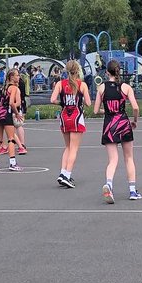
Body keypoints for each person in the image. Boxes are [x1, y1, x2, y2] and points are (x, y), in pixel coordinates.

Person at [93, 59, 141, 203]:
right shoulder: (126, 87)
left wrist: (107, 110)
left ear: (107, 72)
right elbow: (136, 107)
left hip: (109, 125)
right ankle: (132, 190)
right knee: (129, 158)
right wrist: (135, 121)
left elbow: (95, 111)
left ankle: (109, 184)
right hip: (123, 123)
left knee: (113, 160)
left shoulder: (101, 88)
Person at [51, 58, 91, 189]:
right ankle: (67, 175)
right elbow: (89, 103)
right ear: (78, 70)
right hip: (76, 117)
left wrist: (62, 102)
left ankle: (62, 173)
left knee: (67, 147)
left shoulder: (60, 84)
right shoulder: (82, 85)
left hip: (64, 116)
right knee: (74, 149)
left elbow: (52, 100)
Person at [0, 72, 21, 172]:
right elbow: (11, 103)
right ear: (12, 77)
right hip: (6, 113)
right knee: (11, 139)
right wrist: (17, 113)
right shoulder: (14, 88)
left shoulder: (4, 87)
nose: (18, 77)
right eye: (17, 75)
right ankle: (12, 163)